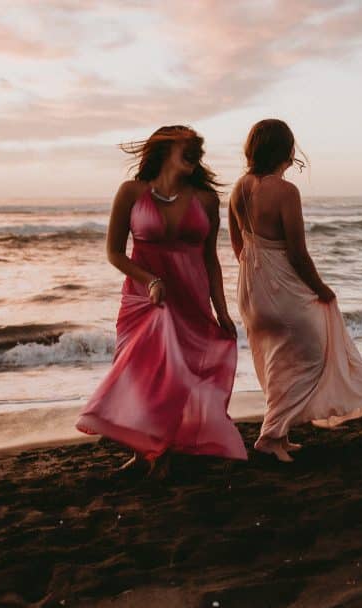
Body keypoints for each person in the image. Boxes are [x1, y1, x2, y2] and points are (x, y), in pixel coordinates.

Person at [76, 125, 247, 477]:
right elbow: (113, 253)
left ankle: (164, 453)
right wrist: (150, 280)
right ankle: (144, 453)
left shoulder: (204, 200)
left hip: (191, 297)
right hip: (143, 300)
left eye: (198, 149)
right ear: (164, 151)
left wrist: (222, 308)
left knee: (181, 375)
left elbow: (211, 259)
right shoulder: (131, 192)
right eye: (189, 147)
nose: (197, 153)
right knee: (141, 375)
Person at [230, 119, 362, 463]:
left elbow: (236, 244)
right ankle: (270, 435)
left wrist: (255, 273)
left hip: (250, 288)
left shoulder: (239, 188)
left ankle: (280, 435)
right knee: (311, 357)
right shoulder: (286, 192)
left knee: (277, 361)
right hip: (282, 287)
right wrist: (322, 289)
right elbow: (297, 253)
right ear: (285, 149)